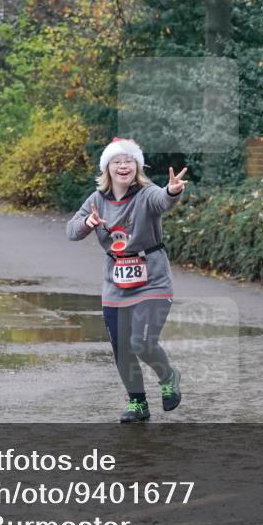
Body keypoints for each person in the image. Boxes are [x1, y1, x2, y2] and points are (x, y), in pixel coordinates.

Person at [66, 138, 188, 422]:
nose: (123, 166)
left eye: (129, 161)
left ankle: (168, 376)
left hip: (153, 280)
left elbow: (163, 200)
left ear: (137, 166)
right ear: (107, 168)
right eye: (117, 161)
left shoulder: (146, 193)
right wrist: (87, 223)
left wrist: (172, 191)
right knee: (122, 347)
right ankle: (138, 403)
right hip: (115, 283)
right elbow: (71, 231)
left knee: (141, 343)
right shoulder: (97, 200)